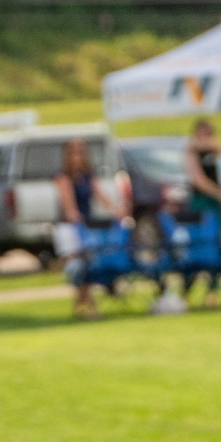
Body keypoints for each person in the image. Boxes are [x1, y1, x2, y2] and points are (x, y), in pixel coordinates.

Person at [54, 137, 128, 320]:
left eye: (82, 151)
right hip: (70, 228)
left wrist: (118, 211)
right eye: (75, 151)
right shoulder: (63, 177)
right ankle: (87, 305)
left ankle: (82, 306)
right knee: (80, 266)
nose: (79, 156)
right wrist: (75, 217)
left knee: (90, 265)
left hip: (86, 226)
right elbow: (68, 205)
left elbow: (100, 196)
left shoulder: (88, 176)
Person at [181, 118, 221, 309]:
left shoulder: (211, 151)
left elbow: (220, 147)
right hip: (202, 203)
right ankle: (186, 291)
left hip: (214, 204)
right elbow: (198, 180)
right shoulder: (191, 151)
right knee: (200, 246)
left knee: (216, 245)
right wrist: (219, 194)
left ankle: (213, 292)